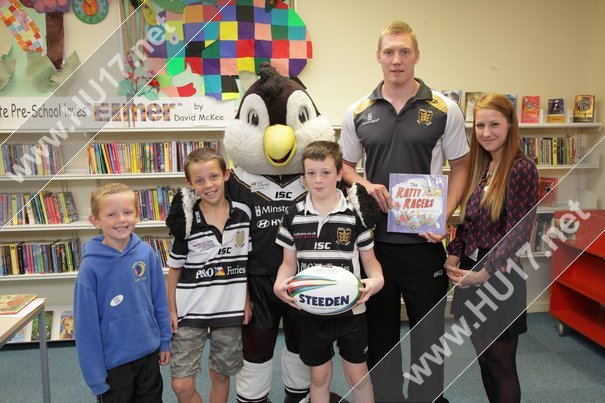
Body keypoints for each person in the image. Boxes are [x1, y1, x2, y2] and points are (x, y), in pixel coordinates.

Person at [339, 20, 470, 402]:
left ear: (416, 55)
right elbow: (345, 167)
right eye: (389, 52)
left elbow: (460, 165)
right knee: (380, 337)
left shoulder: (445, 108)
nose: (397, 60)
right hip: (373, 246)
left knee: (429, 338)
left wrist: (444, 215)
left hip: (422, 242)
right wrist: (364, 184)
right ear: (378, 57)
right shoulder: (358, 111)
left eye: (404, 52)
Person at [445, 93, 539, 403]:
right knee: (484, 359)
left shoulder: (521, 169)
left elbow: (520, 231)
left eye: (495, 124)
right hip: (473, 271)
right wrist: (454, 252)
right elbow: (469, 222)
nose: (486, 133)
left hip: (499, 277)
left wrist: (484, 273)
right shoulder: (483, 167)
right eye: (481, 125)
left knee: (501, 363)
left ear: (511, 125)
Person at [273, 140, 384, 403]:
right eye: (311, 173)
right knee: (319, 377)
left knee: (357, 375)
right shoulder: (293, 216)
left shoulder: (355, 214)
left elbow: (372, 265)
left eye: (325, 173)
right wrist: (280, 284)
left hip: (352, 311)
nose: (318, 180)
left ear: (338, 174)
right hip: (312, 310)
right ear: (304, 177)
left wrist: (376, 282)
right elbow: (288, 264)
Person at [165, 147, 252, 403]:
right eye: (199, 180)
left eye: (213, 176)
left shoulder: (243, 214)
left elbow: (244, 263)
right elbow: (175, 269)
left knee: (220, 374)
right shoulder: (187, 219)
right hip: (189, 311)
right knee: (181, 384)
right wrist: (171, 310)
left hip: (229, 309)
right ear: (190, 183)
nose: (208, 185)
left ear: (226, 175)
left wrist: (246, 301)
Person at [74, 182, 171, 401]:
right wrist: (95, 377)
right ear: (95, 221)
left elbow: (159, 302)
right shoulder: (90, 269)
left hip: (148, 354)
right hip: (113, 363)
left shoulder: (146, 254)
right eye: (111, 214)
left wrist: (165, 341)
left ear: (137, 214)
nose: (121, 219)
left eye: (128, 212)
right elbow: (85, 328)